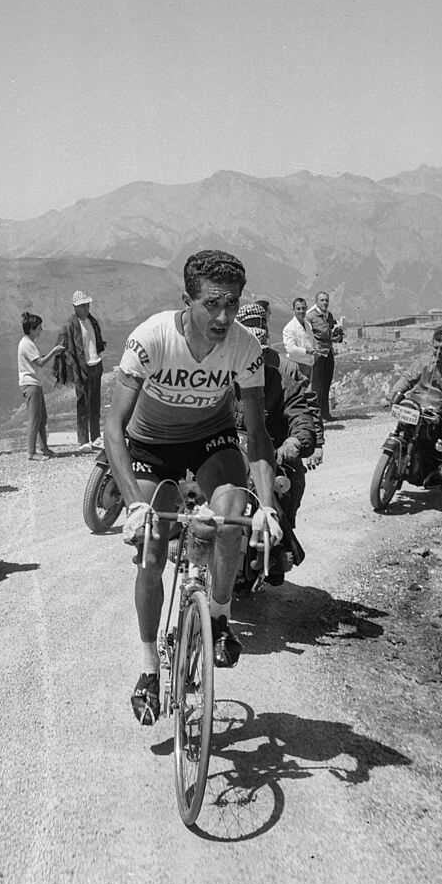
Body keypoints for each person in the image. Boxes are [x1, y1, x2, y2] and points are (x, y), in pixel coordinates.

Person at [103, 250, 282, 725]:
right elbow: (113, 427)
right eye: (211, 305)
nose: (223, 317)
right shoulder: (152, 337)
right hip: (150, 446)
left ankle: (219, 617)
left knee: (232, 515)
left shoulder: (245, 348)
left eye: (232, 304)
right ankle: (147, 669)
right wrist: (134, 505)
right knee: (152, 550)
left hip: (210, 439)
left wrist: (267, 506)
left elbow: (258, 434)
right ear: (187, 301)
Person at [234, 302, 322, 585]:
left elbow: (300, 412)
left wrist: (296, 441)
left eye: (257, 354)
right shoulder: (222, 373)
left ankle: (279, 545)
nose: (251, 361)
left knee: (286, 484)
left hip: (271, 452)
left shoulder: (284, 375)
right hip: (230, 450)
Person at [389, 327, 442, 459]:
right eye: (435, 347)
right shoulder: (423, 361)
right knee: (403, 427)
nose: (438, 352)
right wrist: (393, 395)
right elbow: (408, 378)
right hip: (419, 404)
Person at [54, 290, 106, 453]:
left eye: (87, 305)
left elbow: (97, 341)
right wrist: (68, 368)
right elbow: (63, 347)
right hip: (81, 369)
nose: (86, 308)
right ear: (75, 307)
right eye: (83, 305)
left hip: (95, 364)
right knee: (83, 403)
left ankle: (96, 438)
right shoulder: (69, 326)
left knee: (95, 402)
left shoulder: (92, 321)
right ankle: (83, 440)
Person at [17, 312, 64, 461]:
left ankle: (44, 447)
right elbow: (40, 362)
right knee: (35, 419)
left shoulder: (28, 343)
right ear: (32, 328)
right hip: (30, 383)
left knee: (42, 417)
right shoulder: (27, 344)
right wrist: (54, 351)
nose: (41, 330)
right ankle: (31, 452)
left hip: (34, 383)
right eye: (39, 327)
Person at [305, 290, 345, 420]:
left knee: (326, 383)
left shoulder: (329, 316)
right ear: (316, 302)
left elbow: (331, 336)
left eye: (326, 300)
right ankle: (316, 416)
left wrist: (338, 334)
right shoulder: (310, 317)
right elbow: (307, 335)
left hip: (329, 353)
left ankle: (325, 413)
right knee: (316, 385)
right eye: (322, 300)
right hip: (318, 354)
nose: (325, 303)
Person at [282, 297, 318, 380]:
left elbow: (311, 341)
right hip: (296, 365)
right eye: (298, 309)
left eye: (303, 308)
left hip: (309, 364)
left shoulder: (308, 325)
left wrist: (315, 349)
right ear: (293, 310)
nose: (301, 311)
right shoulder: (289, 328)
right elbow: (290, 349)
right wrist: (307, 351)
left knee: (308, 391)